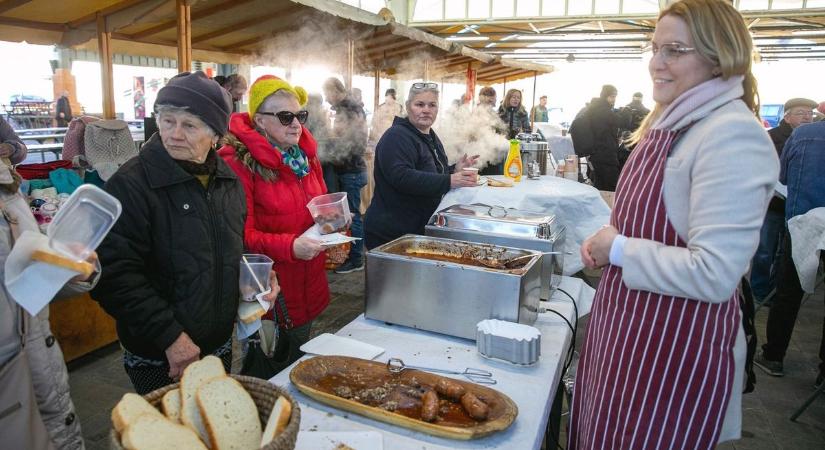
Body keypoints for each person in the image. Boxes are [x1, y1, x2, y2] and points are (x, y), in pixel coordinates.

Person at [571, 1, 778, 448]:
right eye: (654, 47)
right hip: (629, 333)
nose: (656, 63)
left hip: (671, 351)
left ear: (719, 57)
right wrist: (610, 238)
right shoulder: (674, 124)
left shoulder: (731, 134)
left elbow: (716, 272)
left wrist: (620, 249)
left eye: (675, 50)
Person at [91, 71, 278, 394]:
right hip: (161, 352)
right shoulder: (131, 184)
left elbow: (225, 246)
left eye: (189, 125)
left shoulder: (226, 181)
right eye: (167, 120)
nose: (175, 134)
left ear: (216, 135)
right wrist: (170, 337)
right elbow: (113, 274)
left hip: (217, 342)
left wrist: (256, 277)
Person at [219, 75, 329, 368]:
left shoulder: (306, 158)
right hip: (270, 293)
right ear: (259, 121)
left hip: (309, 280)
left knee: (301, 365)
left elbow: (319, 208)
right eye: (285, 116)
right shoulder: (238, 163)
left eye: (299, 116)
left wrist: (333, 223)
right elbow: (241, 236)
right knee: (268, 373)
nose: (296, 124)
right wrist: (291, 247)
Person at [0, 127, 98, 450]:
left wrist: (69, 268)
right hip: (10, 381)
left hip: (40, 362)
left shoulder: (8, 190)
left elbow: (21, 281)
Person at [365, 82, 478, 249]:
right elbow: (402, 177)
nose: (426, 110)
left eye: (432, 105)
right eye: (419, 104)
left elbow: (430, 172)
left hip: (414, 228)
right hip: (392, 232)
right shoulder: (396, 136)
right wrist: (449, 180)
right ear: (408, 107)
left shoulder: (429, 134)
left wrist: (453, 169)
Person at [755, 119, 825, 386]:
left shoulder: (805, 135)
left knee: (787, 293)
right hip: (803, 223)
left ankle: (773, 355)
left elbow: (782, 176)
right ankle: (823, 374)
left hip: (802, 224)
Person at [750, 97, 817, 302]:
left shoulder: (814, 139)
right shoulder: (771, 137)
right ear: (786, 117)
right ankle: (760, 291)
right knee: (765, 250)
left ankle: (776, 289)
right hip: (773, 204)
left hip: (800, 207)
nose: (807, 116)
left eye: (810, 113)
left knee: (785, 253)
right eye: (801, 113)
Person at [322, 77, 368, 273]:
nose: (327, 99)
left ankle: (356, 258)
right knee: (351, 214)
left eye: (327, 94)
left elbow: (351, 140)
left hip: (351, 170)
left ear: (333, 90)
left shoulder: (348, 108)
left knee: (353, 216)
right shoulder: (351, 106)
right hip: (353, 168)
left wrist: (330, 150)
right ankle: (349, 253)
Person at [569, 84, 622, 191]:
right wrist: (626, 114)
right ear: (605, 96)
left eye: (615, 96)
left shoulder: (594, 108)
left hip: (597, 155)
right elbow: (622, 122)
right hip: (605, 155)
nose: (614, 99)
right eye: (612, 96)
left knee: (600, 185)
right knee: (611, 187)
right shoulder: (603, 111)